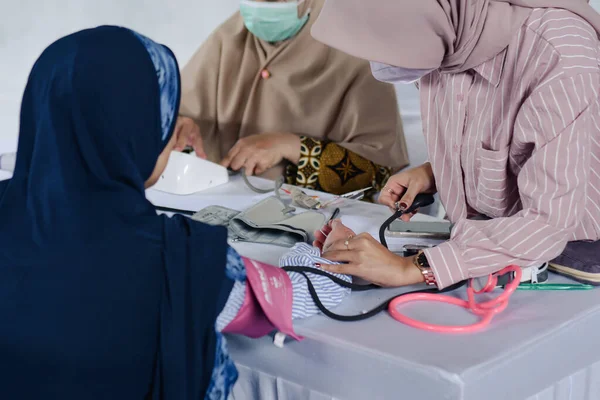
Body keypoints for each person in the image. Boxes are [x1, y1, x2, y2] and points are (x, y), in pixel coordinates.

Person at [0, 26, 349, 399]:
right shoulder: (176, 260)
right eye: (162, 120)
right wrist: (324, 253)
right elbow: (299, 296)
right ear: (136, 136)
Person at [310, 0, 600, 290]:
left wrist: (410, 268)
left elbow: (547, 223)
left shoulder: (560, 53)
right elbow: (504, 136)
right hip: (483, 247)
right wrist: (435, 171)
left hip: (575, 255)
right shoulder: (449, 23)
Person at [174, 0, 410, 196]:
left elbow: (381, 175)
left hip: (322, 227)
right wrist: (176, 126)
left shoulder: (355, 51)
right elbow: (174, 113)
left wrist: (292, 146)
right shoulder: (230, 38)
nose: (260, 6)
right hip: (222, 201)